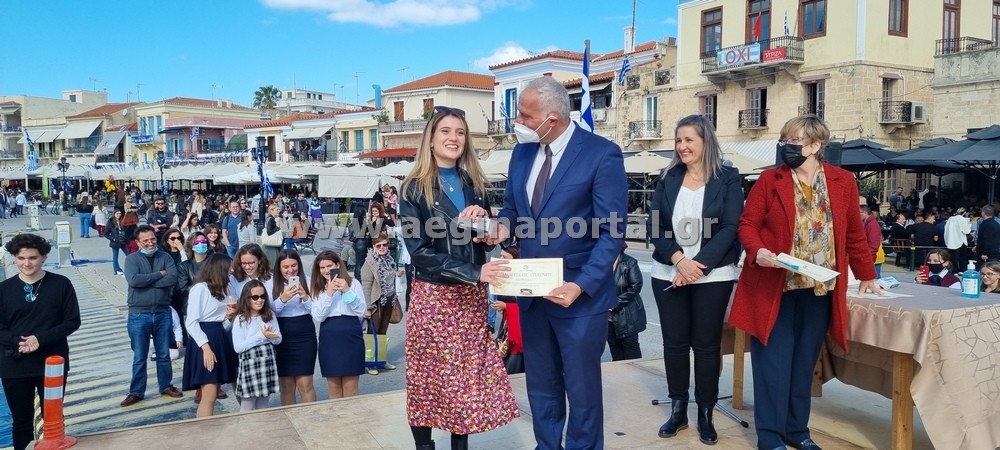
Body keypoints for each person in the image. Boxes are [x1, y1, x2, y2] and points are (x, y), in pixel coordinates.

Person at [729, 115, 881, 450]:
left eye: (794, 141)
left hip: (820, 289)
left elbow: (854, 234)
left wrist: (867, 274)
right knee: (773, 365)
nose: (787, 146)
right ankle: (770, 437)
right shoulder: (770, 179)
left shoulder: (843, 181)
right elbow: (748, 224)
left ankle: (797, 431)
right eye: (785, 140)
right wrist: (758, 250)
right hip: (775, 287)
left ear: (816, 145)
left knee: (802, 366)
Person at [492, 76, 627, 449]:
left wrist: (580, 285)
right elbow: (512, 209)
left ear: (552, 119)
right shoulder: (522, 153)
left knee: (582, 392)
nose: (517, 121)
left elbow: (612, 233)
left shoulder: (602, 154)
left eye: (525, 115)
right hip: (533, 295)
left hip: (578, 298)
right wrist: (498, 227)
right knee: (542, 386)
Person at [399, 105, 519, 450]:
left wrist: (487, 225)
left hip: (471, 297)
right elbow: (419, 251)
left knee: (464, 382)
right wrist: (475, 272)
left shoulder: (474, 184)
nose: (454, 138)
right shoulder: (413, 188)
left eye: (460, 132)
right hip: (434, 297)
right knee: (427, 379)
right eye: (446, 131)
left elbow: (487, 237)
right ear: (431, 140)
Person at [648, 115, 742, 444]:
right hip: (668, 271)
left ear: (706, 142)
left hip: (713, 275)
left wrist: (696, 267)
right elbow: (655, 226)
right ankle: (678, 410)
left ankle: (705, 412)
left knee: (706, 346)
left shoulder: (727, 178)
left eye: (689, 140)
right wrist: (679, 260)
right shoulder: (667, 178)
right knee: (674, 345)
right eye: (678, 140)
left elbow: (730, 227)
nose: (682, 146)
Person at [0, 234, 81, 450]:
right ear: (14, 258)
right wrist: (18, 342)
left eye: (32, 258)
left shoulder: (61, 284)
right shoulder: (4, 289)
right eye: (21, 258)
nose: (26, 263)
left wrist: (40, 339)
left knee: (53, 418)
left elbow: (72, 321)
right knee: (21, 421)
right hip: (15, 365)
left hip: (52, 364)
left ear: (44, 257)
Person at [121, 225, 184, 407]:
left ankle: (166, 386)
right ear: (138, 242)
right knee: (139, 356)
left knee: (163, 354)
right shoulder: (131, 259)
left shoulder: (165, 257)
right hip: (139, 314)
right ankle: (136, 392)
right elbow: (134, 280)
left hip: (162, 312)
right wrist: (159, 275)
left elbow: (172, 278)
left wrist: (148, 281)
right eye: (146, 240)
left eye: (153, 239)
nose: (150, 243)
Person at [183, 254, 238, 417]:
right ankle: (204, 428)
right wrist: (206, 348)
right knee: (209, 394)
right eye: (229, 267)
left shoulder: (224, 289)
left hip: (219, 336)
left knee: (214, 389)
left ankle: (206, 426)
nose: (232, 270)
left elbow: (221, 324)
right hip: (205, 340)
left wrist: (228, 318)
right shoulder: (200, 289)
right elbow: (191, 322)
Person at [310, 251, 367, 398]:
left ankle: (352, 413)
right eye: (322, 267)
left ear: (337, 265)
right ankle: (336, 414)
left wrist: (346, 290)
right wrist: (329, 293)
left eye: (329, 266)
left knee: (351, 389)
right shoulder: (318, 288)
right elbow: (318, 316)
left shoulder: (353, 283)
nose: (326, 270)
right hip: (330, 338)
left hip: (351, 336)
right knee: (334, 389)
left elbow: (361, 311)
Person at [268, 249, 316, 405]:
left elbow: (316, 311)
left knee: (305, 383)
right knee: (286, 385)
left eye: (294, 265)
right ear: (279, 268)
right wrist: (283, 298)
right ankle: (290, 417)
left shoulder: (309, 281)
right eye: (286, 267)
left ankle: (311, 416)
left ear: (299, 265)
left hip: (305, 333)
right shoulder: (270, 284)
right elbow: (268, 313)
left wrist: (306, 297)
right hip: (281, 334)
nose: (290, 270)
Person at [231, 279, 282, 412]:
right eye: (255, 297)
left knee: (262, 405)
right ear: (247, 298)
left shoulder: (269, 315)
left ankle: (261, 426)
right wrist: (262, 336)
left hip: (268, 360)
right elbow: (238, 347)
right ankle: (245, 426)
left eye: (262, 296)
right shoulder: (241, 319)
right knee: (247, 405)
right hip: (250, 363)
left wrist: (271, 337)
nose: (260, 300)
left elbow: (278, 339)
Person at [360, 233, 401, 375]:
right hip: (376, 302)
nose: (382, 247)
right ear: (373, 246)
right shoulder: (369, 262)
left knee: (383, 332)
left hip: (389, 300)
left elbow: (389, 278)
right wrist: (368, 307)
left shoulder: (389, 259)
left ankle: (381, 360)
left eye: (385, 244)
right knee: (373, 333)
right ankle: (370, 363)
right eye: (379, 245)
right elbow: (366, 286)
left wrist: (397, 274)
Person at [861, 205, 884, 277]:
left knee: (874, 278)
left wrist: (867, 258)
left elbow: (873, 244)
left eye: (859, 212)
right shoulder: (866, 223)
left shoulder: (872, 224)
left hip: (872, 257)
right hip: (869, 256)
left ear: (865, 212)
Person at [105, 209, 129, 275]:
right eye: (117, 213)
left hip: (123, 241)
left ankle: (130, 268)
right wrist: (112, 238)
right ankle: (117, 269)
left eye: (120, 213)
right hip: (115, 242)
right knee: (115, 257)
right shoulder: (110, 222)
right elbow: (106, 234)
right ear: (114, 214)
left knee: (129, 255)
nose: (119, 215)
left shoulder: (123, 221)